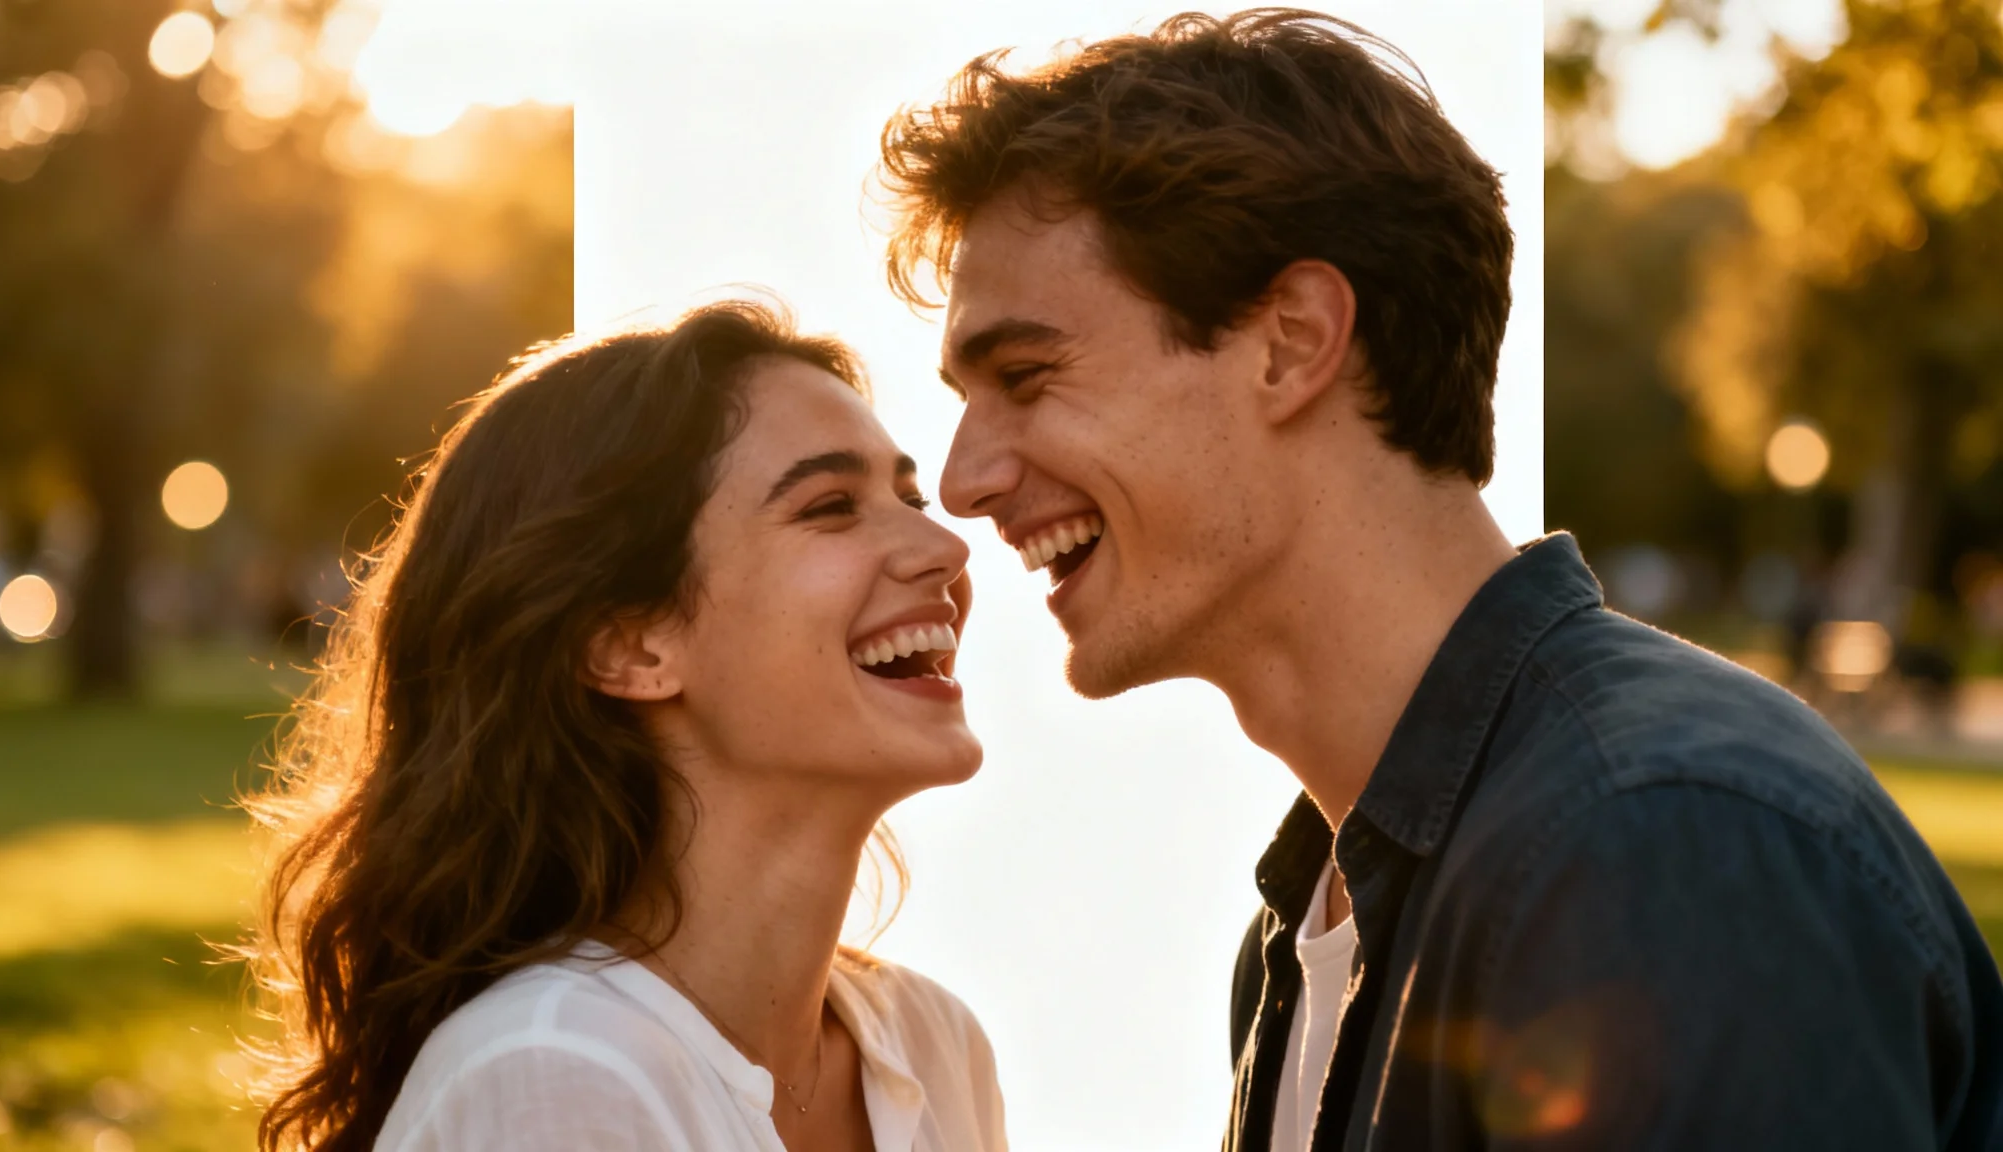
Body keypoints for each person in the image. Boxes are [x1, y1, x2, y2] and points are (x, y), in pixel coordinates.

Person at [879, 9, 2003, 1150]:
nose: (964, 483)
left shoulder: (1653, 843)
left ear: (1291, 340)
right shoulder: (1314, 917)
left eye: (1024, 374)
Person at [244, 301, 1008, 1152]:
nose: (945, 548)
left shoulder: (933, 1047)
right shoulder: (556, 1073)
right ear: (628, 645)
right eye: (831, 506)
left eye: (908, 496)